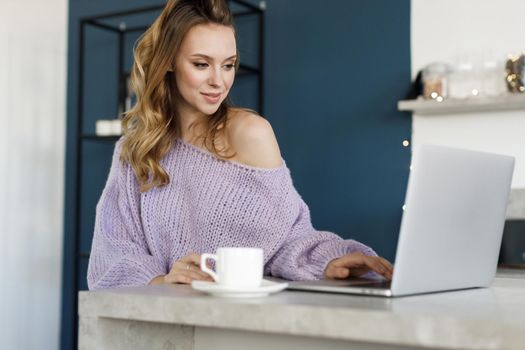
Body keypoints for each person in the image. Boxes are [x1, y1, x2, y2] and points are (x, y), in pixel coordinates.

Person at [87, 0, 393, 290]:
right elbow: (112, 255)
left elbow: (288, 238)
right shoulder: (136, 151)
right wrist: (162, 282)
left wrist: (331, 260)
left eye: (229, 65)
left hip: (238, 324)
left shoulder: (251, 133)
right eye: (201, 64)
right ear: (168, 62)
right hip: (162, 327)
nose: (218, 81)